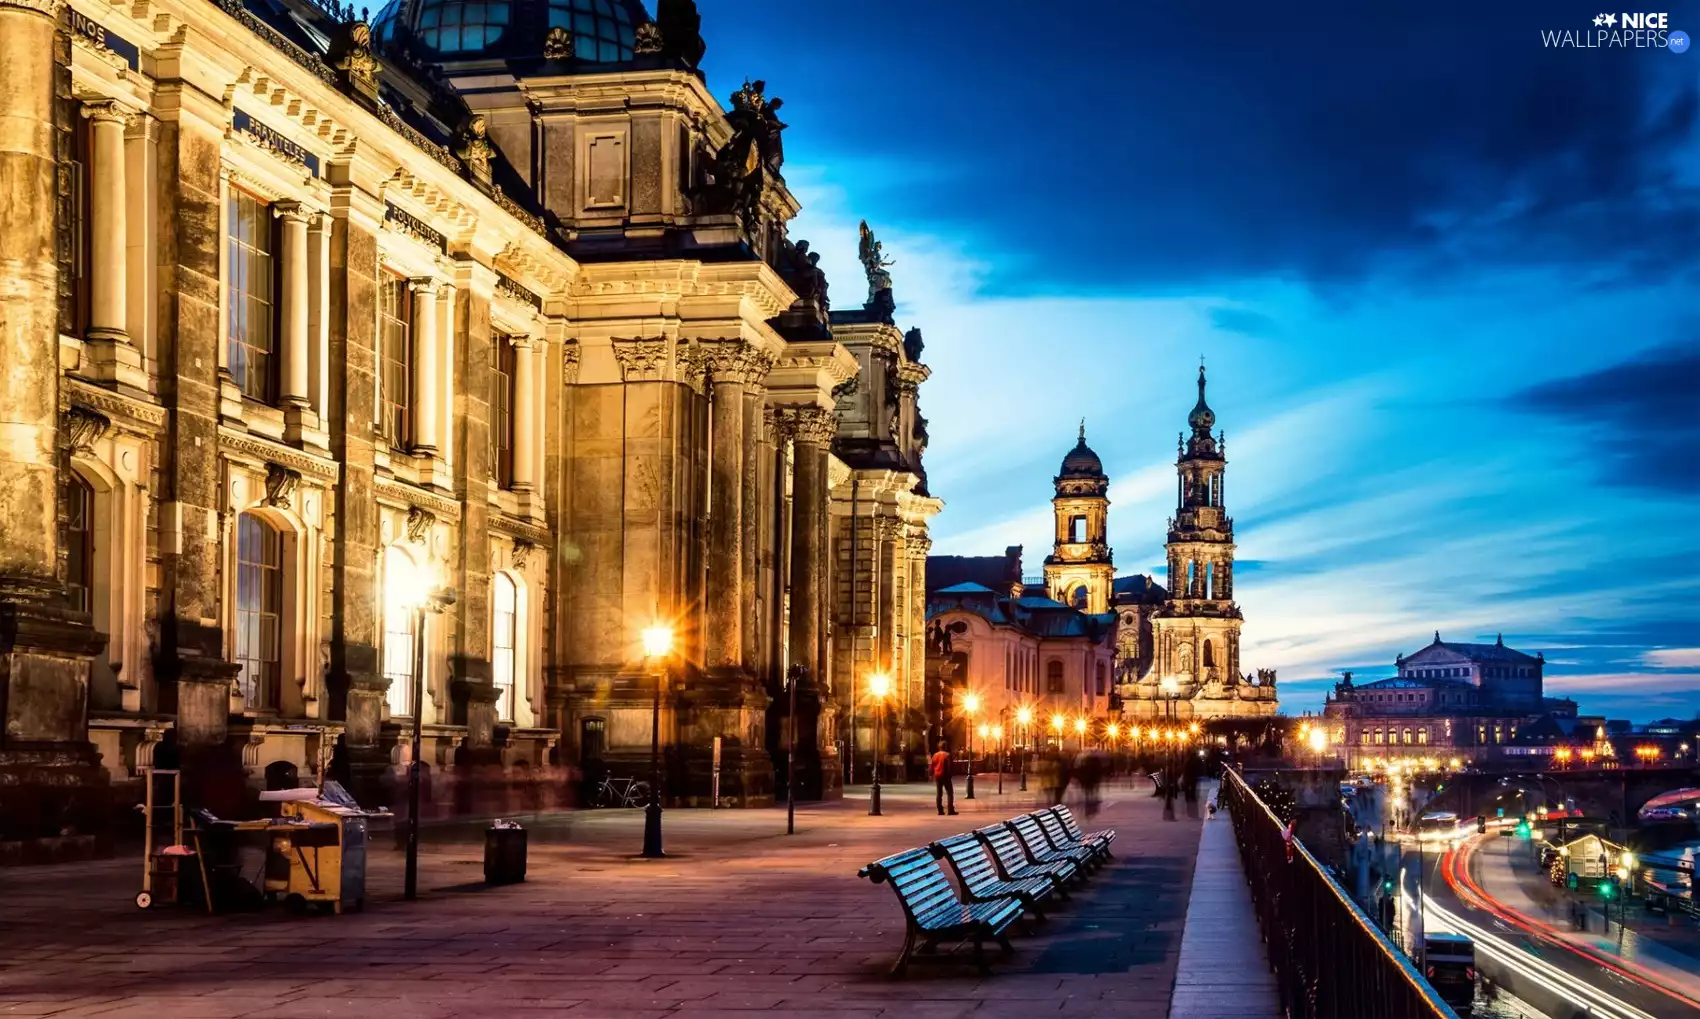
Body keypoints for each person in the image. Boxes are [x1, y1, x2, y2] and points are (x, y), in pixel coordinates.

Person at [931, 741, 958, 816]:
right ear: (945, 747)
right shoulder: (947, 755)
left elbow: (932, 765)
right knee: (950, 793)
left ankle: (940, 810)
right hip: (945, 776)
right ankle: (950, 810)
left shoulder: (935, 755)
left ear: (939, 747)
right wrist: (950, 775)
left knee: (939, 793)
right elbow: (950, 766)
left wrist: (932, 774)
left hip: (937, 776)